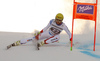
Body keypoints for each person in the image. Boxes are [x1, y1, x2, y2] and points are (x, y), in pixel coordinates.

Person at [7, 13, 72, 49]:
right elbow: (46, 28)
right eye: (57, 19)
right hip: (48, 33)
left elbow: (69, 33)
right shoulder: (52, 21)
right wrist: (39, 33)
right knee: (34, 38)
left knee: (58, 37)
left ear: (62, 20)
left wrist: (70, 40)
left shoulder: (63, 26)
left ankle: (42, 43)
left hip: (55, 36)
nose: (57, 21)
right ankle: (18, 43)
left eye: (59, 20)